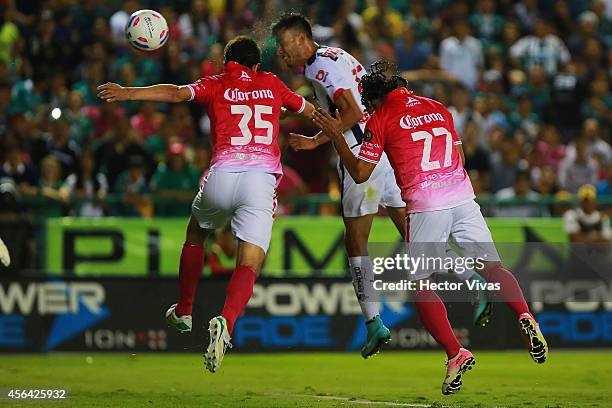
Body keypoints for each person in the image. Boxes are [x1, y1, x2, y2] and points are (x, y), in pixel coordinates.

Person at [312, 61, 548, 395]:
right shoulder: (439, 108)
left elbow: (362, 174)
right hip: (463, 196)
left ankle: (455, 353)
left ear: (375, 100)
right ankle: (526, 316)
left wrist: (337, 136)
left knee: (421, 285)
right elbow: (461, 158)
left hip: (426, 205)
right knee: (494, 268)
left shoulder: (380, 118)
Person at [272, 13, 492, 359]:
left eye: (283, 47)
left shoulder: (319, 68)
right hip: (387, 152)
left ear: (301, 40)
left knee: (356, 240)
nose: (281, 55)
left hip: (364, 155)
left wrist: (316, 141)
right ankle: (473, 282)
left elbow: (352, 111)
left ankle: (373, 322)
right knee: (413, 234)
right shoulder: (336, 54)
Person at [97, 36, 314, 372]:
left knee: (197, 234)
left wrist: (128, 93)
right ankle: (226, 323)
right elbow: (309, 111)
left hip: (223, 174)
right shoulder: (272, 83)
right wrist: (336, 128)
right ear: (256, 65)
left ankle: (184, 310)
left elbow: (175, 93)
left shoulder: (216, 82)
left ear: (228, 61)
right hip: (260, 181)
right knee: (250, 262)